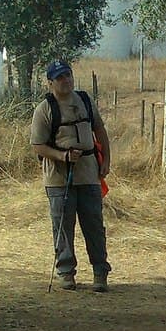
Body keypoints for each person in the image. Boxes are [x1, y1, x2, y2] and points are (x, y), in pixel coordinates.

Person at [30, 60, 111, 292]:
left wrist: (106, 161)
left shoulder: (84, 100)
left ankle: (100, 272)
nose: (66, 80)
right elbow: (37, 146)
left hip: (88, 173)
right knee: (63, 226)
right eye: (60, 77)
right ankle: (66, 272)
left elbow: (100, 130)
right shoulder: (44, 109)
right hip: (58, 177)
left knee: (94, 224)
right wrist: (62, 156)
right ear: (50, 83)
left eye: (68, 75)